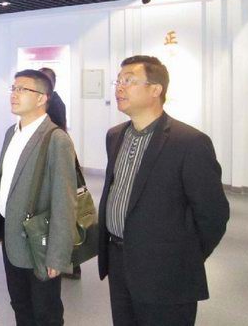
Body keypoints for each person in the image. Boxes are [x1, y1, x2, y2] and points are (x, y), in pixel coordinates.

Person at [98, 55, 230, 326]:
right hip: (119, 261)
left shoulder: (189, 143)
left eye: (129, 81)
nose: (119, 87)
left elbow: (213, 215)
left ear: (156, 90)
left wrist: (183, 257)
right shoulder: (115, 136)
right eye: (118, 81)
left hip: (167, 272)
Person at [0, 69, 77, 325]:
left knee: (45, 311)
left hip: (39, 238)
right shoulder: (11, 133)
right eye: (13, 88)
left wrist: (58, 254)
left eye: (23, 89)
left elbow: (65, 201)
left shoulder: (56, 139)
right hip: (11, 233)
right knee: (20, 303)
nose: (14, 94)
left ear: (41, 98)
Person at [39, 66, 81, 280]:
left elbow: (55, 132)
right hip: (52, 159)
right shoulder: (51, 101)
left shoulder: (54, 103)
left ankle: (71, 263)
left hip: (56, 160)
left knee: (62, 212)